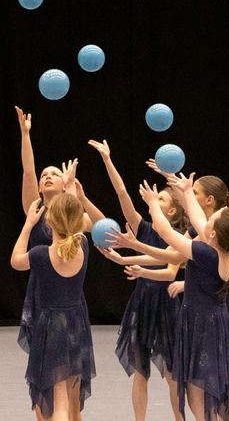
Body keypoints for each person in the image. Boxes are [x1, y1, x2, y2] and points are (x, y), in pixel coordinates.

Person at [88, 139, 185, 421]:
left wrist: (126, 260)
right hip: (142, 304)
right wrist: (107, 159)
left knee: (171, 375)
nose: (155, 197)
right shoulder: (142, 228)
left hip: (167, 305)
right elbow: (121, 194)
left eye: (163, 199)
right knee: (140, 373)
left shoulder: (178, 237)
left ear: (172, 212)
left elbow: (166, 264)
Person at [16, 106, 102, 421]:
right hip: (42, 296)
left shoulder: (74, 216)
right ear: (39, 187)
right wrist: (26, 136)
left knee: (70, 384)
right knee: (47, 379)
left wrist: (74, 192)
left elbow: (104, 227)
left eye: (53, 173)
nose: (47, 176)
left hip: (67, 299)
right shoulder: (35, 209)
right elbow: (27, 171)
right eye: (45, 175)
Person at [140, 173, 229, 421]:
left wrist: (153, 203)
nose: (204, 221)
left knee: (198, 397)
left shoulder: (204, 253)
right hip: (213, 324)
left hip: (201, 326)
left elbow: (166, 232)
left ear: (213, 234)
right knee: (207, 393)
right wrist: (187, 191)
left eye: (212, 221)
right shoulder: (223, 251)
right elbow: (199, 220)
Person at [11, 194, 96, 421]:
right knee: (70, 396)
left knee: (59, 403)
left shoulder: (40, 254)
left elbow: (15, 260)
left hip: (51, 327)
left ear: (48, 222)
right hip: (77, 325)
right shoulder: (84, 246)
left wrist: (28, 225)